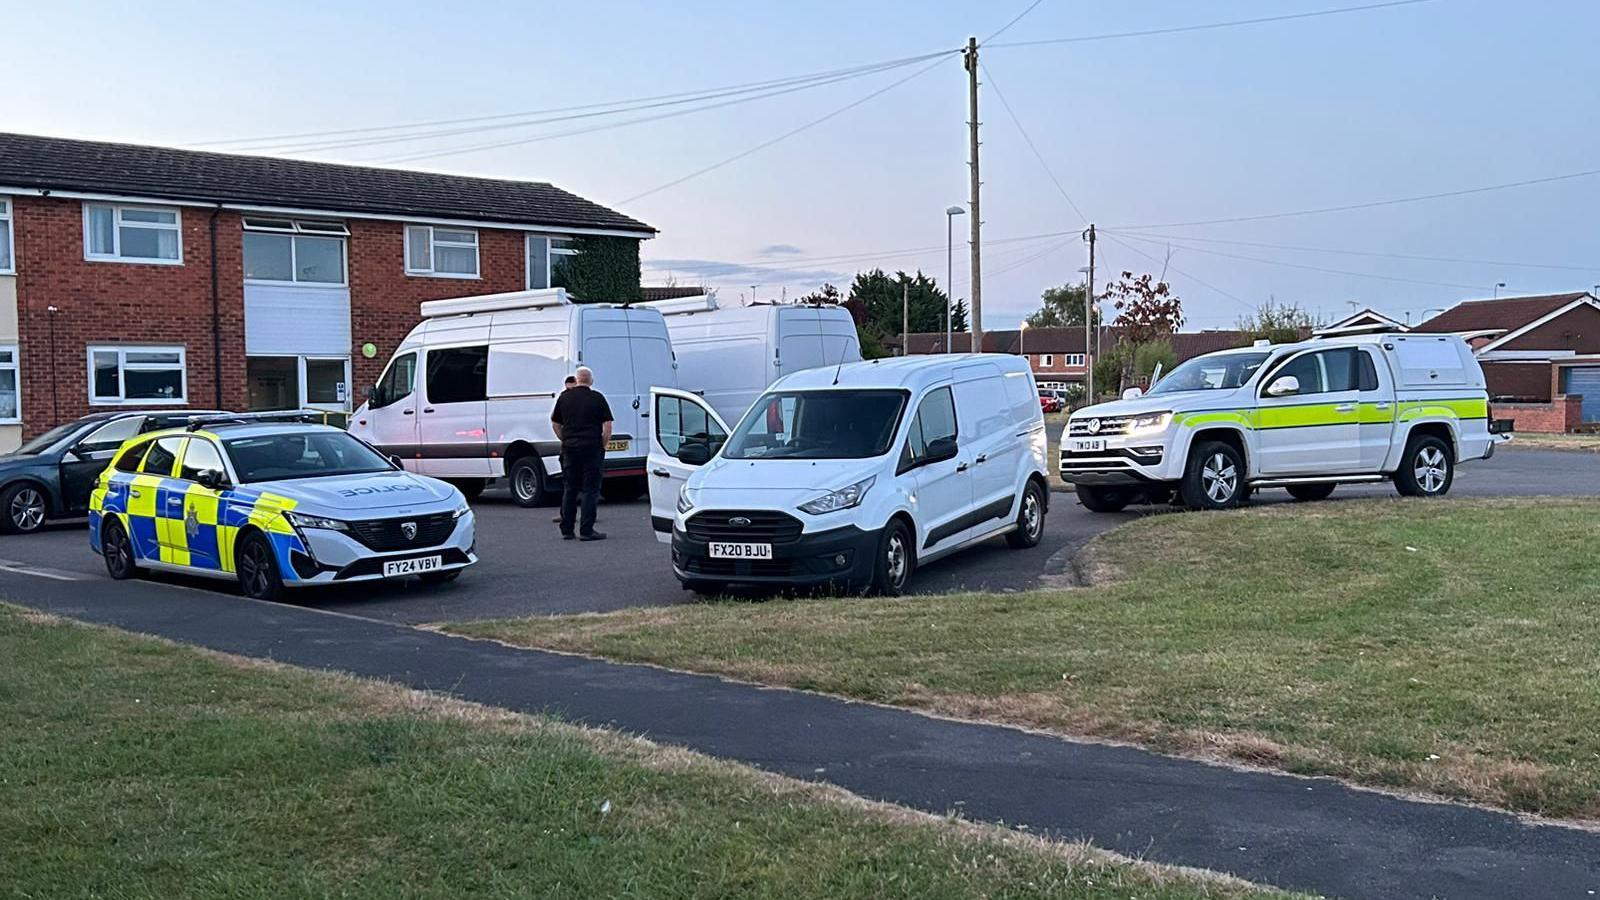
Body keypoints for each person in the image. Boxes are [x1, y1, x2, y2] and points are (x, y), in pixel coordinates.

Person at [550, 366, 612, 541]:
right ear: (591, 380)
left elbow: (555, 423)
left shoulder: (564, 398)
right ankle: (586, 530)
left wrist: (564, 439)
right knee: (590, 490)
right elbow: (607, 425)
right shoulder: (597, 398)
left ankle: (567, 529)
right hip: (591, 447)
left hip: (570, 448)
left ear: (577, 380)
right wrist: (603, 444)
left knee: (570, 489)